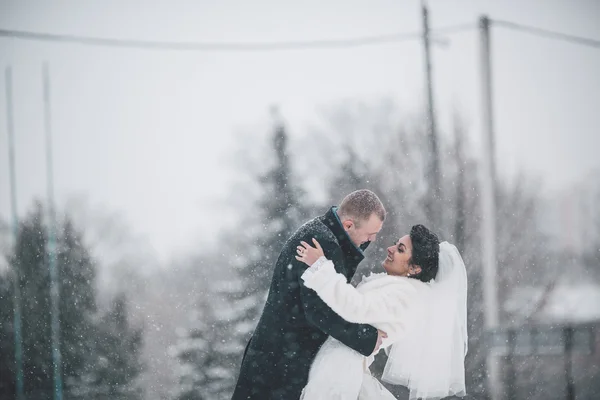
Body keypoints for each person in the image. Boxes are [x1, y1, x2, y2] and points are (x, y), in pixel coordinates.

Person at [232, 189, 388, 400]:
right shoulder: (323, 243)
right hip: (280, 366)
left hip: (274, 359)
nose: (373, 240)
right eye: (370, 234)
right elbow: (319, 311)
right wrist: (366, 338)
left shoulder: (322, 232)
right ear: (349, 225)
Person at [295, 225, 468, 399]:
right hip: (336, 367)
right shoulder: (396, 288)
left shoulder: (405, 297)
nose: (390, 249)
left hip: (339, 373)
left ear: (415, 268)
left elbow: (355, 308)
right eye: (395, 244)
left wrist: (321, 267)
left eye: (400, 249)